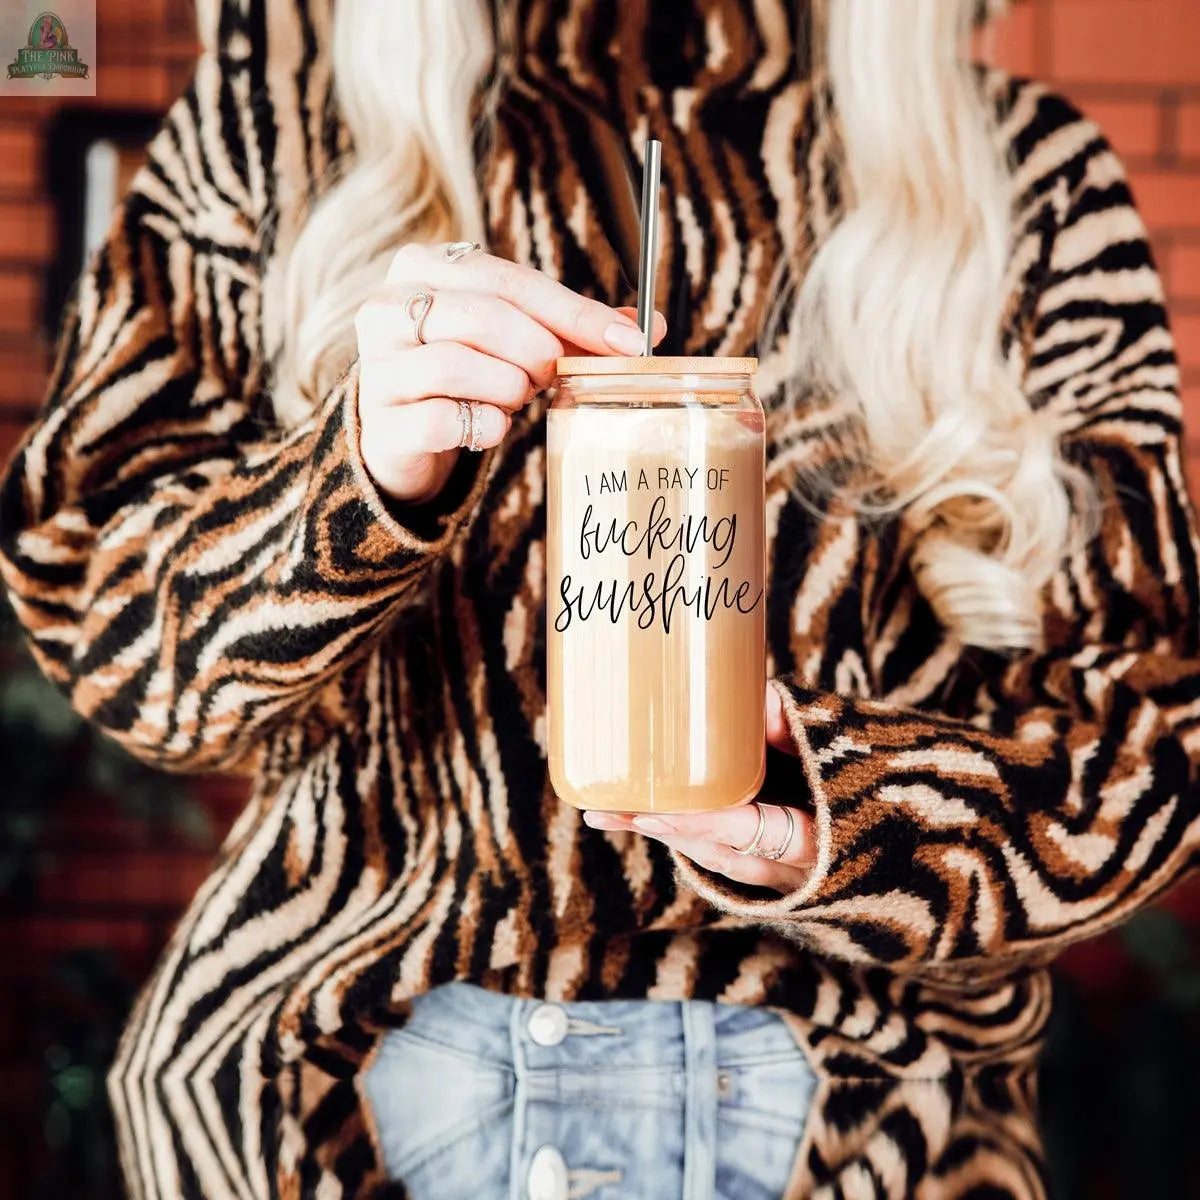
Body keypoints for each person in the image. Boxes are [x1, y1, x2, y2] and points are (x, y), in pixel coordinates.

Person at [2, 0, 1198, 1196]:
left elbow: (1156, 729)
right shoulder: (276, 138)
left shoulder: (1019, 175)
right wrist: (353, 478)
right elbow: (105, 628)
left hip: (863, 1119)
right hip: (331, 1103)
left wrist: (850, 821)